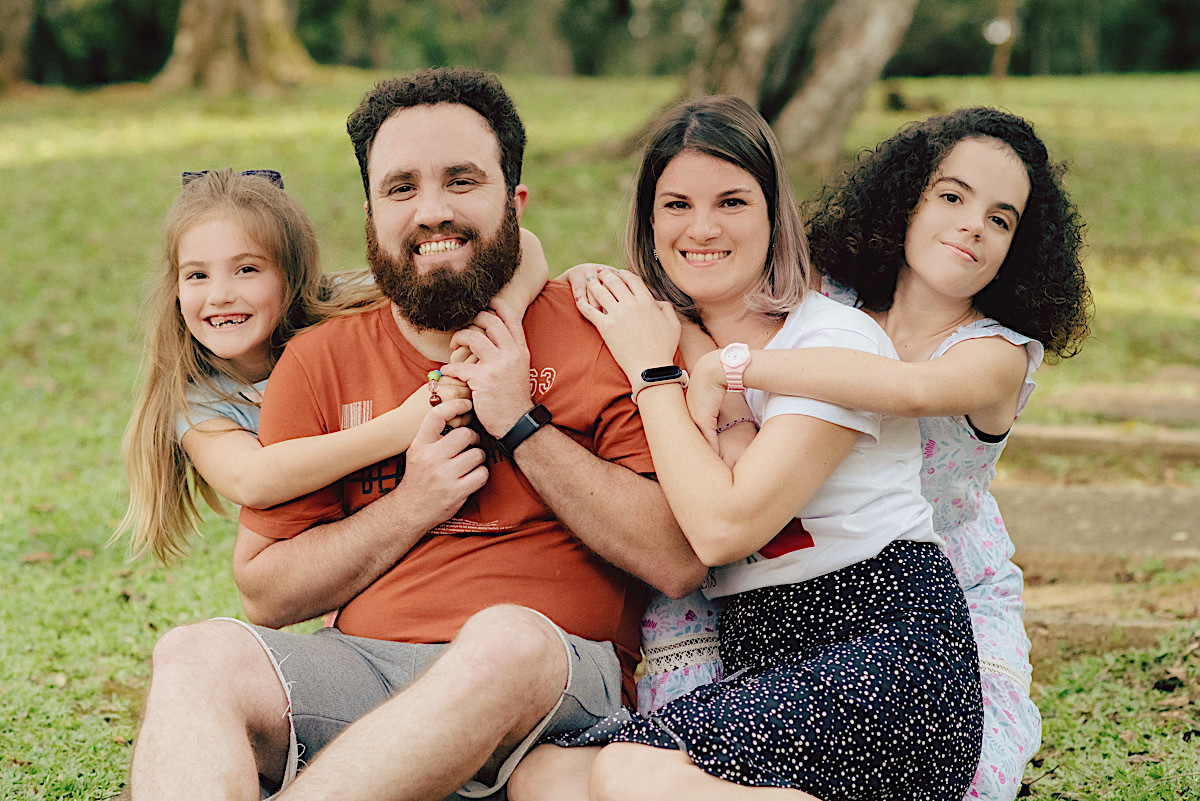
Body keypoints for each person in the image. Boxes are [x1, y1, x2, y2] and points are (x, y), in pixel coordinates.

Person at [127, 68, 706, 801]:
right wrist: (414, 502)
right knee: (194, 652)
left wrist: (518, 425)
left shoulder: (602, 330)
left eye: (461, 180)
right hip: (365, 673)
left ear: (514, 201)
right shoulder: (320, 357)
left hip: (548, 680)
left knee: (503, 638)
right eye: (401, 188)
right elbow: (266, 593)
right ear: (371, 215)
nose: (431, 210)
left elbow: (677, 557)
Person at [513, 94, 983, 801]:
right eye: (675, 205)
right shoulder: (666, 333)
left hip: (889, 645)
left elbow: (724, 526)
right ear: (649, 220)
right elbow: (525, 260)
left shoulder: (830, 341)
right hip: (768, 659)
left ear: (773, 216)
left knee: (627, 772)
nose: (701, 228)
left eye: (731, 201)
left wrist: (653, 374)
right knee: (546, 775)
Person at [677, 106, 1091, 800]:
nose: (971, 225)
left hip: (935, 591)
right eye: (952, 196)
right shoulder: (826, 298)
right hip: (799, 566)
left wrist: (739, 369)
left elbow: (904, 388)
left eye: (1000, 218)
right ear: (907, 198)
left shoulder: (996, 356)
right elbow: (698, 315)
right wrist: (722, 399)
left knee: (956, 777)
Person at [114, 167, 549, 564]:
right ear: (174, 287)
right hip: (343, 541)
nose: (220, 294)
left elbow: (525, 246)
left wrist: (488, 338)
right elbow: (251, 479)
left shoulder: (346, 302)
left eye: (246, 269)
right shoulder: (200, 400)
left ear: (293, 275)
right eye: (197, 275)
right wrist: (403, 423)